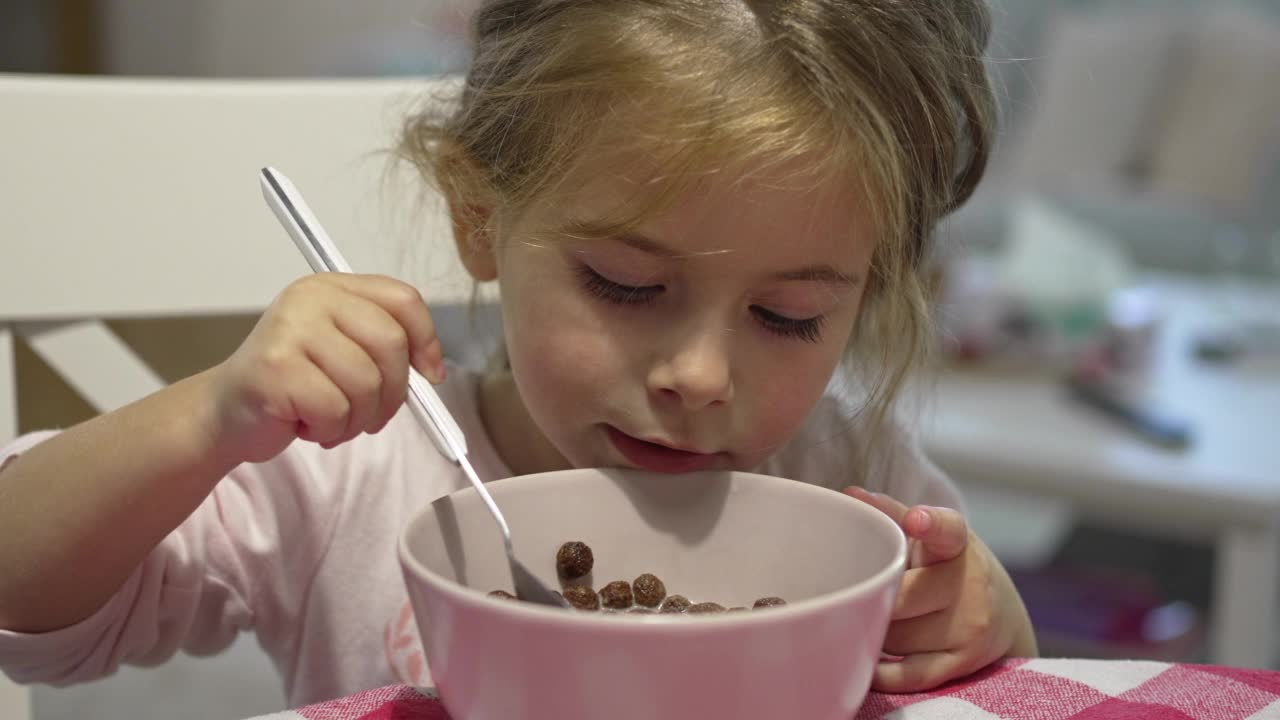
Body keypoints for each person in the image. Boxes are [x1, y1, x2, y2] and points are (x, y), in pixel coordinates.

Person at [0, 0, 1035, 708]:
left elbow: (1001, 695)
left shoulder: (856, 487)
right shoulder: (349, 474)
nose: (701, 377)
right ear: (477, 217)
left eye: (789, 315)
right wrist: (206, 418)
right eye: (626, 287)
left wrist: (989, 626)